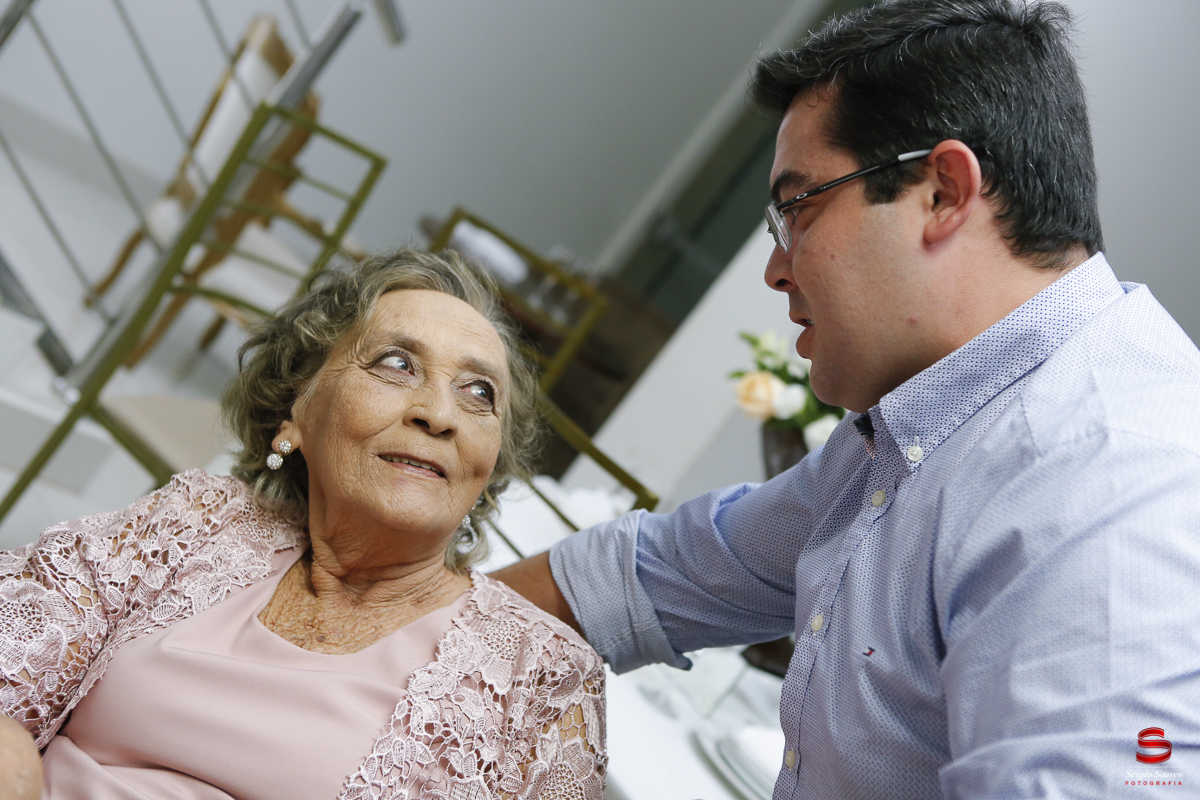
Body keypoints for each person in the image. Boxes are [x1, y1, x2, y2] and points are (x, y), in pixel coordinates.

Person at [493, 0, 1200, 797]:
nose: (776, 268)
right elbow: (657, 574)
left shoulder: (1113, 477)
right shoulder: (934, 423)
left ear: (943, 192)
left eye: (798, 209)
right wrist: (398, 651)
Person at [0, 249, 606, 800]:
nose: (440, 414)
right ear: (296, 414)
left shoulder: (544, 678)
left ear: (489, 467)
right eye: (397, 364)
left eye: (479, 393)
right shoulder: (194, 522)